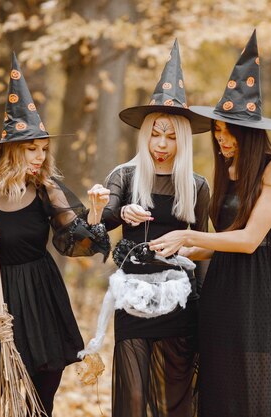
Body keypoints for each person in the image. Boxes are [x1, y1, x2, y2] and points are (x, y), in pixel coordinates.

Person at [0, 53, 111, 417]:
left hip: (44, 296)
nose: (39, 156)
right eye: (31, 149)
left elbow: (72, 241)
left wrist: (95, 214)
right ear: (10, 150)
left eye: (43, 149)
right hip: (3, 305)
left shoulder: (46, 190)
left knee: (42, 397)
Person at [148, 30, 271, 417]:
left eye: (229, 133)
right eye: (217, 132)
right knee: (217, 384)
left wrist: (189, 233)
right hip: (218, 291)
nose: (221, 140)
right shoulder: (228, 170)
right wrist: (179, 250)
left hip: (253, 293)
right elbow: (220, 242)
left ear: (251, 134)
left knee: (250, 382)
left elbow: (248, 240)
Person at [99, 40, 210, 417]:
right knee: (132, 399)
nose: (161, 144)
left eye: (171, 136)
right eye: (155, 134)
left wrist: (208, 307)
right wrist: (117, 211)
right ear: (144, 134)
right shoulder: (124, 176)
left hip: (180, 301)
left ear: (183, 139)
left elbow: (206, 247)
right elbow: (103, 221)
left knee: (173, 403)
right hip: (132, 300)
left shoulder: (196, 186)